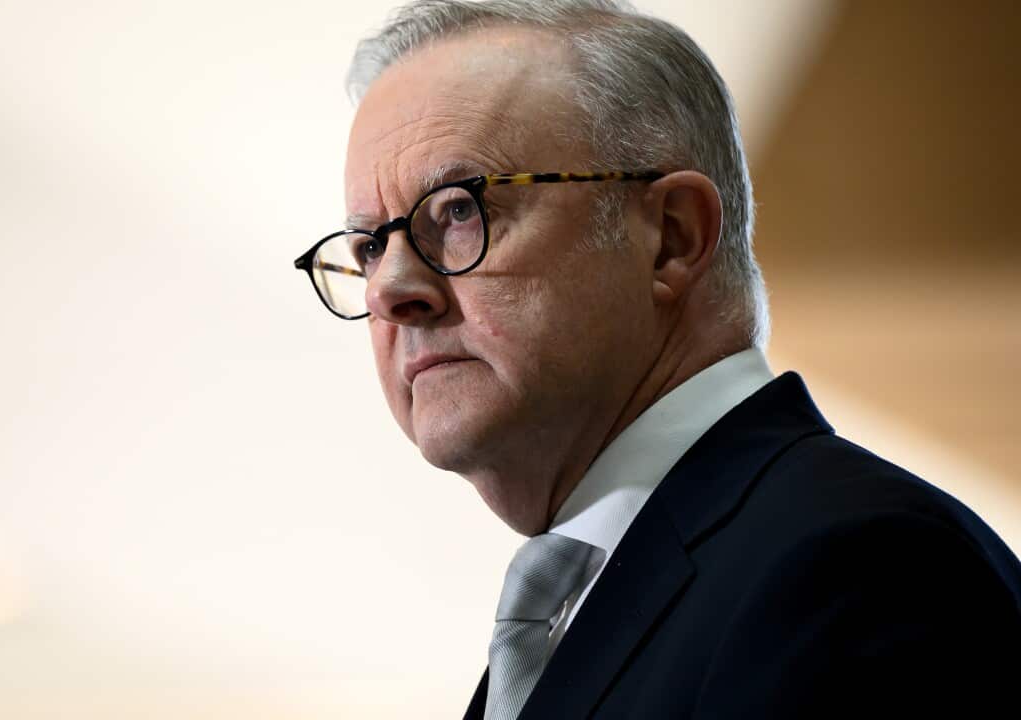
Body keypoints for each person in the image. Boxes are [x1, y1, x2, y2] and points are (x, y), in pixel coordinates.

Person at [292, 1, 1021, 717]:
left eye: (459, 210)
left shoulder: (864, 570)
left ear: (670, 237)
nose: (390, 289)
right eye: (369, 247)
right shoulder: (579, 606)